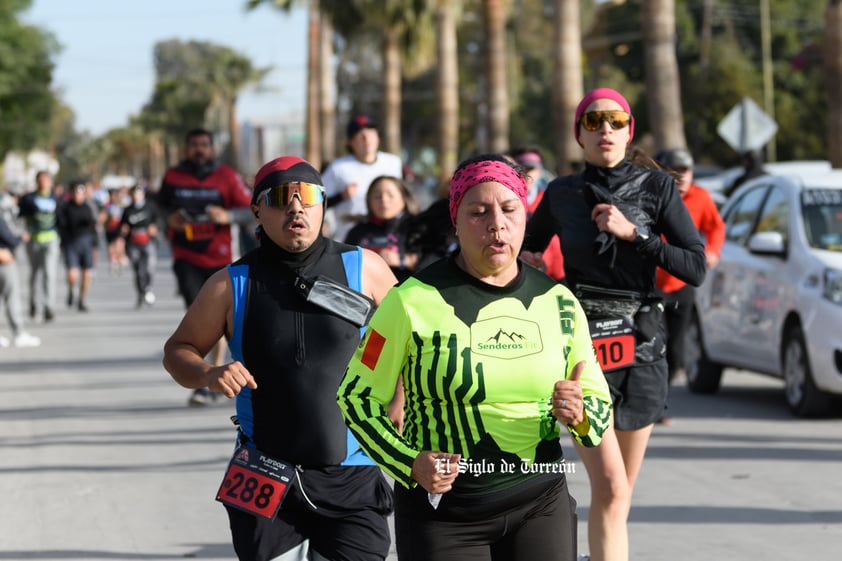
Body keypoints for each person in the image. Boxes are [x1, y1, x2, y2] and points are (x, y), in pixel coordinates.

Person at [338, 153, 613, 561]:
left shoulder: (560, 303)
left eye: (508, 209)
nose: (496, 224)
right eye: (478, 212)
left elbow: (598, 403)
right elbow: (356, 397)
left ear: (525, 215)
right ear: (455, 220)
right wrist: (409, 463)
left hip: (540, 502)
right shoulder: (410, 301)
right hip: (445, 514)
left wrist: (581, 413)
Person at [163, 156, 398, 561]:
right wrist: (209, 372)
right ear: (257, 209)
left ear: (323, 204)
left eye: (307, 196)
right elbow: (177, 351)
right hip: (263, 472)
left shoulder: (365, 268)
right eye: (279, 198)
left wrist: (400, 397)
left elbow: (410, 341)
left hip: (352, 472)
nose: (295, 207)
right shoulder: (230, 284)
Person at [522, 88, 706, 561]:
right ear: (579, 134)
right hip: (583, 350)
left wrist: (636, 235)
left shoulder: (657, 187)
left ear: (629, 130)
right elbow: (526, 253)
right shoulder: (561, 193)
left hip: (642, 348)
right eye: (593, 121)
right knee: (610, 486)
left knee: (618, 494)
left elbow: (695, 266)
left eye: (615, 121)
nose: (605, 130)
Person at [156, 128, 253, 406]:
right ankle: (209, 376)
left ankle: (214, 374)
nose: (199, 149)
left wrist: (228, 215)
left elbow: (252, 210)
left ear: (211, 148)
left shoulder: (227, 176)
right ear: (187, 148)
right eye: (194, 144)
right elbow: (159, 207)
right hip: (186, 256)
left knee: (219, 318)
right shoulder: (173, 176)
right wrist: (169, 219)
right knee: (196, 315)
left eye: (204, 145)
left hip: (220, 258)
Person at [654, 148, 725, 395]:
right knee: (653, 344)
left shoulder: (701, 198)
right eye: (675, 171)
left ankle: (665, 391)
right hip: (651, 283)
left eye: (685, 171)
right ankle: (653, 403)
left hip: (682, 282)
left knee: (676, 349)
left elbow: (716, 227)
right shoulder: (650, 194)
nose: (681, 177)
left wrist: (713, 250)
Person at [321, 115, 403, 242]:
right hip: (349, 237)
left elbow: (403, 200)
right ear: (350, 142)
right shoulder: (338, 167)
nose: (367, 138)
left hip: (388, 237)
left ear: (377, 137)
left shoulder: (393, 163)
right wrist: (341, 196)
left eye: (371, 132)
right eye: (360, 135)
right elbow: (318, 201)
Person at [344, 175, 420, 282]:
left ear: (403, 199)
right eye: (377, 196)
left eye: (390, 195)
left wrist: (402, 260)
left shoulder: (418, 228)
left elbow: (434, 262)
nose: (384, 200)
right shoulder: (358, 232)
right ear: (369, 201)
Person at [509, 146, 565, 281]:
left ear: (540, 172)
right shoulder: (504, 204)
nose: (527, 174)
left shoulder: (553, 199)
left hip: (556, 276)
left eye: (531, 169)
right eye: (522, 168)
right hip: (519, 276)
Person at [18, 171, 61, 322]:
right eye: (40, 180)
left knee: (49, 273)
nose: (43, 183)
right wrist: (23, 232)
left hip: (51, 239)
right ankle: (33, 303)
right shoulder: (28, 198)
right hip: (34, 240)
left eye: (46, 180)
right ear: (37, 182)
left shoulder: (55, 198)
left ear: (50, 182)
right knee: (35, 273)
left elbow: (61, 217)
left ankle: (49, 306)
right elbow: (20, 217)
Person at [0, 205, 41, 348]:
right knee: (12, 297)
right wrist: (19, 239)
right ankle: (18, 333)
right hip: (3, 261)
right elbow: (8, 237)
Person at [57, 181, 98, 312]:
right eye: (75, 192)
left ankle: (81, 299)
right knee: (72, 274)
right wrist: (62, 243)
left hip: (86, 243)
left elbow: (94, 228)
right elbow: (60, 226)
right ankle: (70, 291)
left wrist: (95, 246)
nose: (78, 195)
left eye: (81, 192)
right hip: (71, 243)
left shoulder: (89, 206)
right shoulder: (65, 207)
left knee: (86, 275)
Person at [120, 184, 160, 309]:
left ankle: (147, 288)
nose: (136, 195)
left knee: (149, 268)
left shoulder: (150, 206)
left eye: (139, 193)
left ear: (143, 194)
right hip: (133, 243)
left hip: (148, 241)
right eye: (134, 193)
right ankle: (140, 294)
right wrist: (122, 233)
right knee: (138, 271)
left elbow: (158, 220)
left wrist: (155, 228)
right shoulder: (128, 210)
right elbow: (123, 226)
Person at [101, 188, 128, 275]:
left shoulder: (122, 205)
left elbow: (126, 216)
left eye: (115, 195)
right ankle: (113, 261)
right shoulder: (107, 206)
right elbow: (103, 217)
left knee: (119, 245)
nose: (114, 197)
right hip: (110, 229)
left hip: (119, 228)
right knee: (111, 247)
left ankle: (120, 259)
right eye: (112, 195)